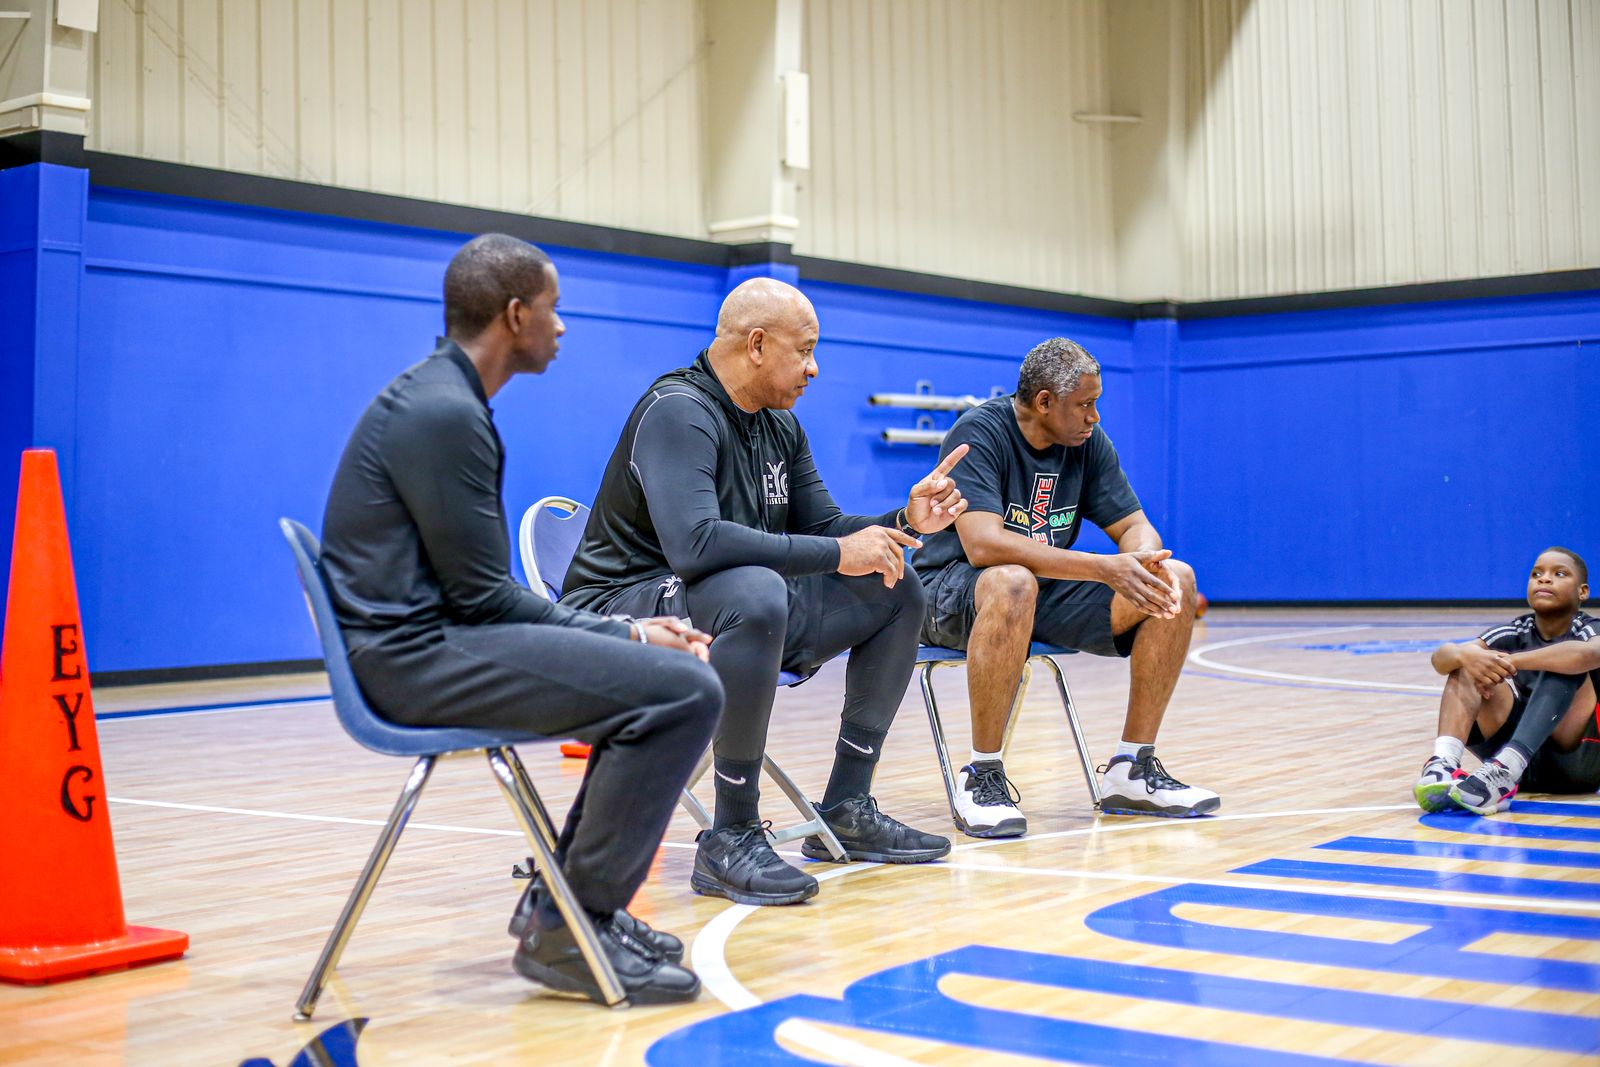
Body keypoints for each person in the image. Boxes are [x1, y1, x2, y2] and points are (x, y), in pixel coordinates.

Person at [320, 234, 724, 1004]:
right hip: (413, 663)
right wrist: (632, 631)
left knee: (665, 681)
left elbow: (480, 595)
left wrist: (624, 638)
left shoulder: (444, 398)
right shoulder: (444, 413)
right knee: (684, 690)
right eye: (553, 309)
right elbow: (486, 599)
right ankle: (572, 930)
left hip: (427, 643)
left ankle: (567, 907)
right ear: (514, 315)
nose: (561, 326)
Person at [561, 277, 965, 906]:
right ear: (755, 344)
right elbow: (694, 546)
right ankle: (731, 834)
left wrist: (902, 523)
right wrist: (838, 552)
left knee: (895, 583)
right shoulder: (677, 410)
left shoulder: (778, 426)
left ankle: (848, 805)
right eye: (804, 350)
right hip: (618, 610)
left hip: (724, 605)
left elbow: (827, 528)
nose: (814, 367)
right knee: (754, 591)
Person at [911, 337, 1220, 837]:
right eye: (1084, 405)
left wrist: (1140, 557)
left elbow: (1135, 526)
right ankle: (982, 774)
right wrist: (1103, 568)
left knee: (1175, 577)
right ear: (1044, 402)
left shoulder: (1087, 443)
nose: (1093, 417)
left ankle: (1132, 769)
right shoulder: (980, 433)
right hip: (949, 590)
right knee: (1011, 582)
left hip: (1038, 591)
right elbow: (984, 547)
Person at [1414, 547, 1600, 815]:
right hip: (1509, 765)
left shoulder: (1590, 628)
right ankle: (1443, 764)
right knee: (1468, 664)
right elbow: (1440, 660)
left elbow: (1589, 654)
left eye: (1559, 573)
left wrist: (1514, 661)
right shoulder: (1514, 630)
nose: (1544, 579)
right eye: (1537, 573)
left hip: (1578, 765)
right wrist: (1464, 654)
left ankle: (1508, 767)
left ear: (1582, 592)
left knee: (1566, 661)